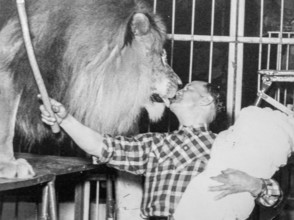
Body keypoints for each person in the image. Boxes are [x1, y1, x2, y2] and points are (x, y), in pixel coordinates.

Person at [39, 81, 282, 220]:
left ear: (206, 101)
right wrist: (66, 119)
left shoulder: (227, 145)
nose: (180, 89)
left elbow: (274, 198)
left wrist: (254, 184)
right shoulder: (155, 144)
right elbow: (102, 146)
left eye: (188, 88)